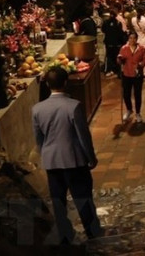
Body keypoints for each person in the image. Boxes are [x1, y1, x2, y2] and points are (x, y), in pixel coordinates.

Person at [32, 67, 102, 244]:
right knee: (83, 198)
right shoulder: (73, 106)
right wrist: (90, 157)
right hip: (74, 159)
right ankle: (92, 230)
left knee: (58, 200)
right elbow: (83, 136)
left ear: (48, 84)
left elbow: (39, 138)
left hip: (52, 160)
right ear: (65, 82)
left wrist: (45, 154)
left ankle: (64, 233)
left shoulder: (37, 109)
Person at [117, 32, 145, 124]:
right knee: (126, 94)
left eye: (134, 38)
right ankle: (129, 109)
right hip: (126, 74)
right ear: (128, 39)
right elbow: (119, 60)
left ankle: (138, 113)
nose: (132, 40)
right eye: (130, 38)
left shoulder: (142, 49)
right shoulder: (124, 48)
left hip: (137, 76)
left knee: (137, 95)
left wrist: (141, 64)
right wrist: (120, 60)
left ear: (137, 39)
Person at [102, 9, 126, 76]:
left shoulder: (105, 22)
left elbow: (103, 30)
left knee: (109, 57)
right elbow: (120, 34)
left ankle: (109, 70)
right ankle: (118, 71)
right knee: (117, 57)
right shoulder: (118, 23)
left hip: (108, 43)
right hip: (117, 43)